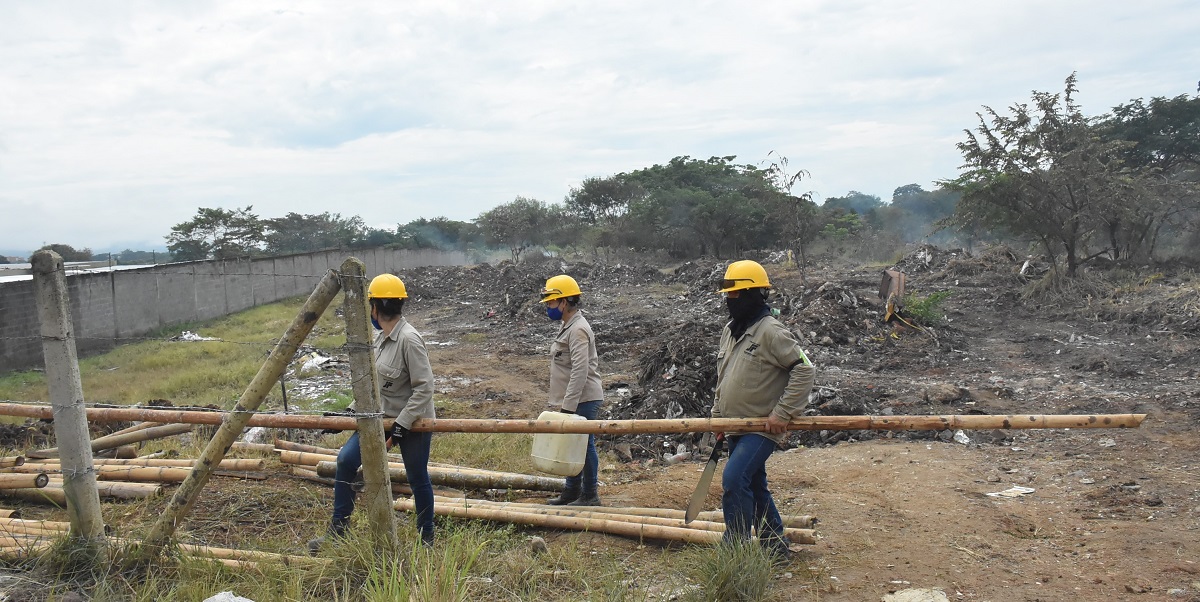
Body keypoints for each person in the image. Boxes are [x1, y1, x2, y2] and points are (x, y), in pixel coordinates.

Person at [309, 273, 436, 552]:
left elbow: (424, 389)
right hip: (379, 419)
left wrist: (402, 426)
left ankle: (427, 537)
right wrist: (345, 416)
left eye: (370, 306)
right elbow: (373, 390)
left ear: (375, 307)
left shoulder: (409, 340)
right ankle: (338, 531)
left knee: (417, 476)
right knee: (345, 461)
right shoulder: (380, 340)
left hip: (412, 421)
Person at [711, 260, 815, 561]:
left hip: (760, 429)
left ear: (754, 295)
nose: (729, 301)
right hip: (734, 425)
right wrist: (717, 417)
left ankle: (736, 549)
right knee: (755, 486)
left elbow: (805, 370)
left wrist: (782, 413)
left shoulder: (772, 331)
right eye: (727, 296)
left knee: (733, 480)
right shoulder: (731, 332)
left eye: (735, 295)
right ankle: (775, 548)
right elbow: (724, 377)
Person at [539, 274, 605, 506]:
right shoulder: (569, 326)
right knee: (573, 444)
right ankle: (572, 492)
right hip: (576, 398)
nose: (548, 307)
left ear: (564, 302)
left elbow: (580, 370)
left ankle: (589, 495)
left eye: (550, 302)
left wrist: (568, 407)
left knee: (584, 445)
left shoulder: (578, 330)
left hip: (584, 398)